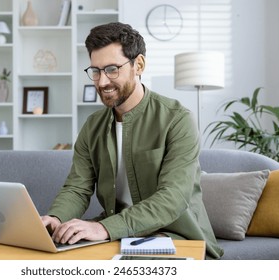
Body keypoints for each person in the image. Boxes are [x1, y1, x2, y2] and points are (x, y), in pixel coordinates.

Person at [42, 22, 224, 259]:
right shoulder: (92, 126)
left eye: (112, 69)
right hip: (119, 234)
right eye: (96, 71)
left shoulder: (178, 119)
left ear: (139, 65)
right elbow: (78, 187)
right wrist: (55, 218)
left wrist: (104, 228)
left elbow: (172, 198)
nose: (102, 81)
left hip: (173, 233)